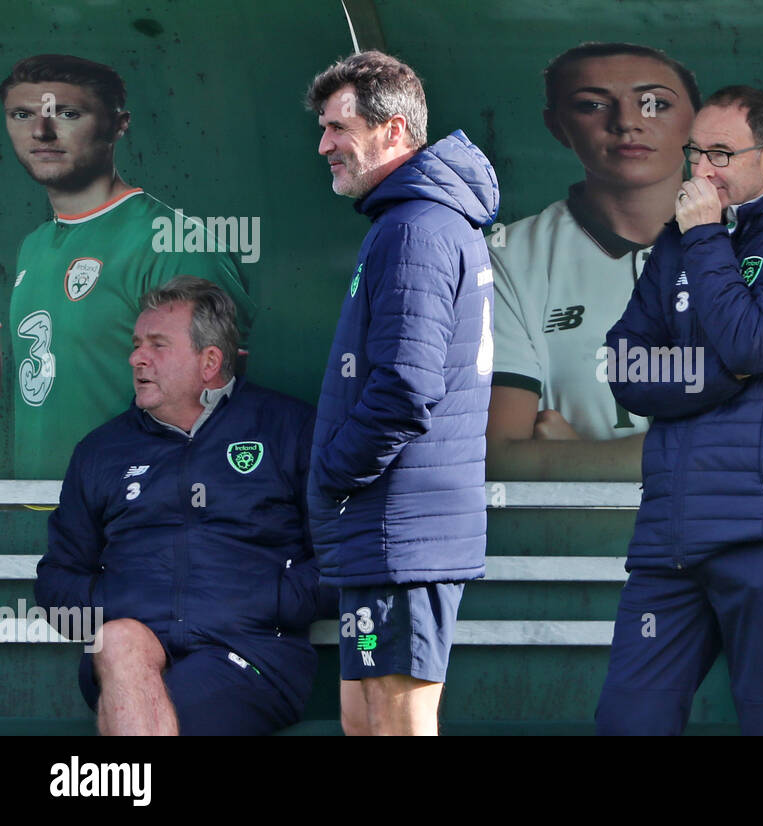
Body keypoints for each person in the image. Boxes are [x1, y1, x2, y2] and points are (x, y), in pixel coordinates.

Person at [596, 86, 763, 735]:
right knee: (628, 719)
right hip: (669, 540)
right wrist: (720, 375)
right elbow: (625, 367)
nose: (700, 171)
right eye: (693, 154)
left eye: (719, 154)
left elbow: (753, 339)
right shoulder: (678, 244)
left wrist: (707, 235)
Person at [487, 42, 763, 481]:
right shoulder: (511, 252)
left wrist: (583, 457)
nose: (627, 122)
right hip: (577, 543)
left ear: (694, 119)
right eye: (592, 104)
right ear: (557, 125)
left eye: (655, 103)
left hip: (725, 542)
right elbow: (497, 459)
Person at [304, 50, 498, 736]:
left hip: (402, 529)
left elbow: (406, 386)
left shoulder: (418, 226)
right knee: (364, 716)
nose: (324, 144)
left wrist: (333, 473)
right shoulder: (406, 220)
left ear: (392, 130)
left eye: (337, 127)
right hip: (384, 529)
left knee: (400, 719)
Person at [34, 277, 318, 736]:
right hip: (125, 658)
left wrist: (269, 600)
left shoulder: (287, 429)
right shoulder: (102, 450)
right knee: (121, 641)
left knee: (153, 711)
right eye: (136, 344)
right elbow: (56, 582)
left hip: (248, 654)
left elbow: (339, 559)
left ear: (209, 362)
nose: (136, 358)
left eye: (157, 345)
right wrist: (117, 606)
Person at [2, 54, 256, 482]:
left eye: (67, 113)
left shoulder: (172, 242)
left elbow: (218, 405)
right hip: (43, 510)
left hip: (135, 518)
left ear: (119, 125)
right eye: (22, 114)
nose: (41, 131)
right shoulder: (35, 245)